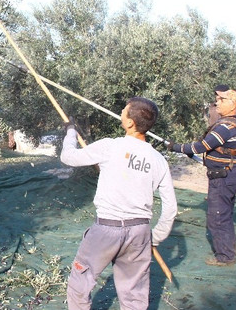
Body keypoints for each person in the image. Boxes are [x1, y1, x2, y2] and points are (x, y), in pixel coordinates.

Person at [60, 97, 177, 310]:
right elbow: (170, 209)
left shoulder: (110, 147)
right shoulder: (159, 159)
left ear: (130, 122)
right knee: (134, 296)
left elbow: (68, 157)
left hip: (107, 229)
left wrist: (70, 131)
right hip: (140, 232)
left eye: (124, 109)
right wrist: (154, 238)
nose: (121, 111)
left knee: (80, 282)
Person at [167, 89, 236, 266]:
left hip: (222, 178)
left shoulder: (225, 127)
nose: (217, 103)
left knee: (217, 216)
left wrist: (176, 147)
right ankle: (230, 247)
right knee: (225, 214)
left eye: (221, 99)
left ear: (232, 104)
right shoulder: (235, 123)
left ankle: (225, 256)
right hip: (230, 174)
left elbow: (202, 146)